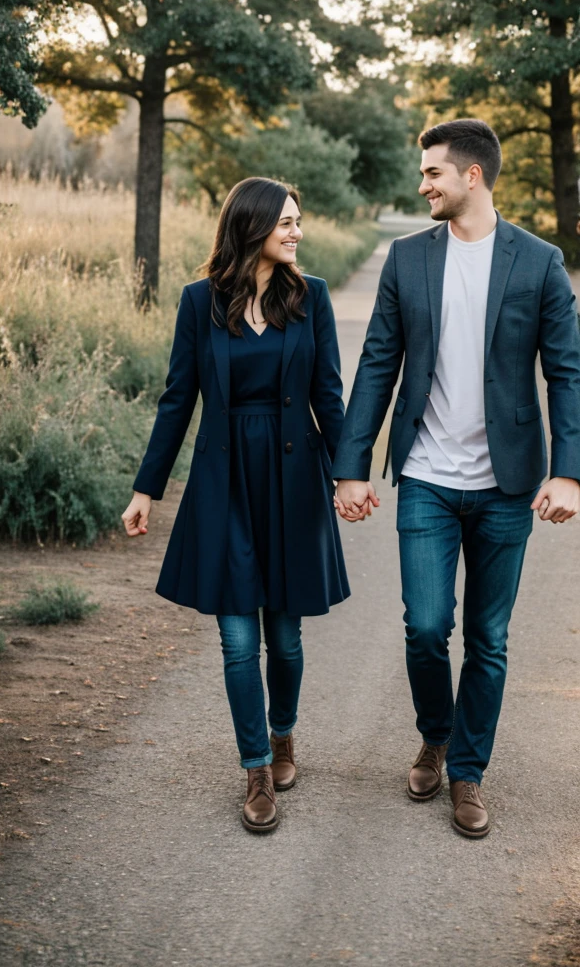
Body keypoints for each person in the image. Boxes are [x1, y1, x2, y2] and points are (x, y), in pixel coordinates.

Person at [333, 119, 580, 838]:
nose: (423, 185)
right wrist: (351, 468)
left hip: (507, 485)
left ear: (472, 176)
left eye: (433, 173)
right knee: (426, 626)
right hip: (429, 476)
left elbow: (566, 374)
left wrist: (569, 473)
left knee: (489, 637)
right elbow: (378, 363)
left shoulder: (539, 263)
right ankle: (435, 735)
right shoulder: (407, 258)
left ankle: (468, 772)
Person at [122, 177, 352, 833]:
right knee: (235, 637)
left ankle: (283, 736)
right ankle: (255, 769)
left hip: (294, 477)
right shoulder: (200, 303)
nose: (296, 232)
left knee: (284, 636)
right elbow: (177, 399)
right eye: (284, 222)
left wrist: (347, 477)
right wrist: (147, 489)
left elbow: (328, 397)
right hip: (223, 482)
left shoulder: (314, 299)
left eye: (298, 221)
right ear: (250, 226)